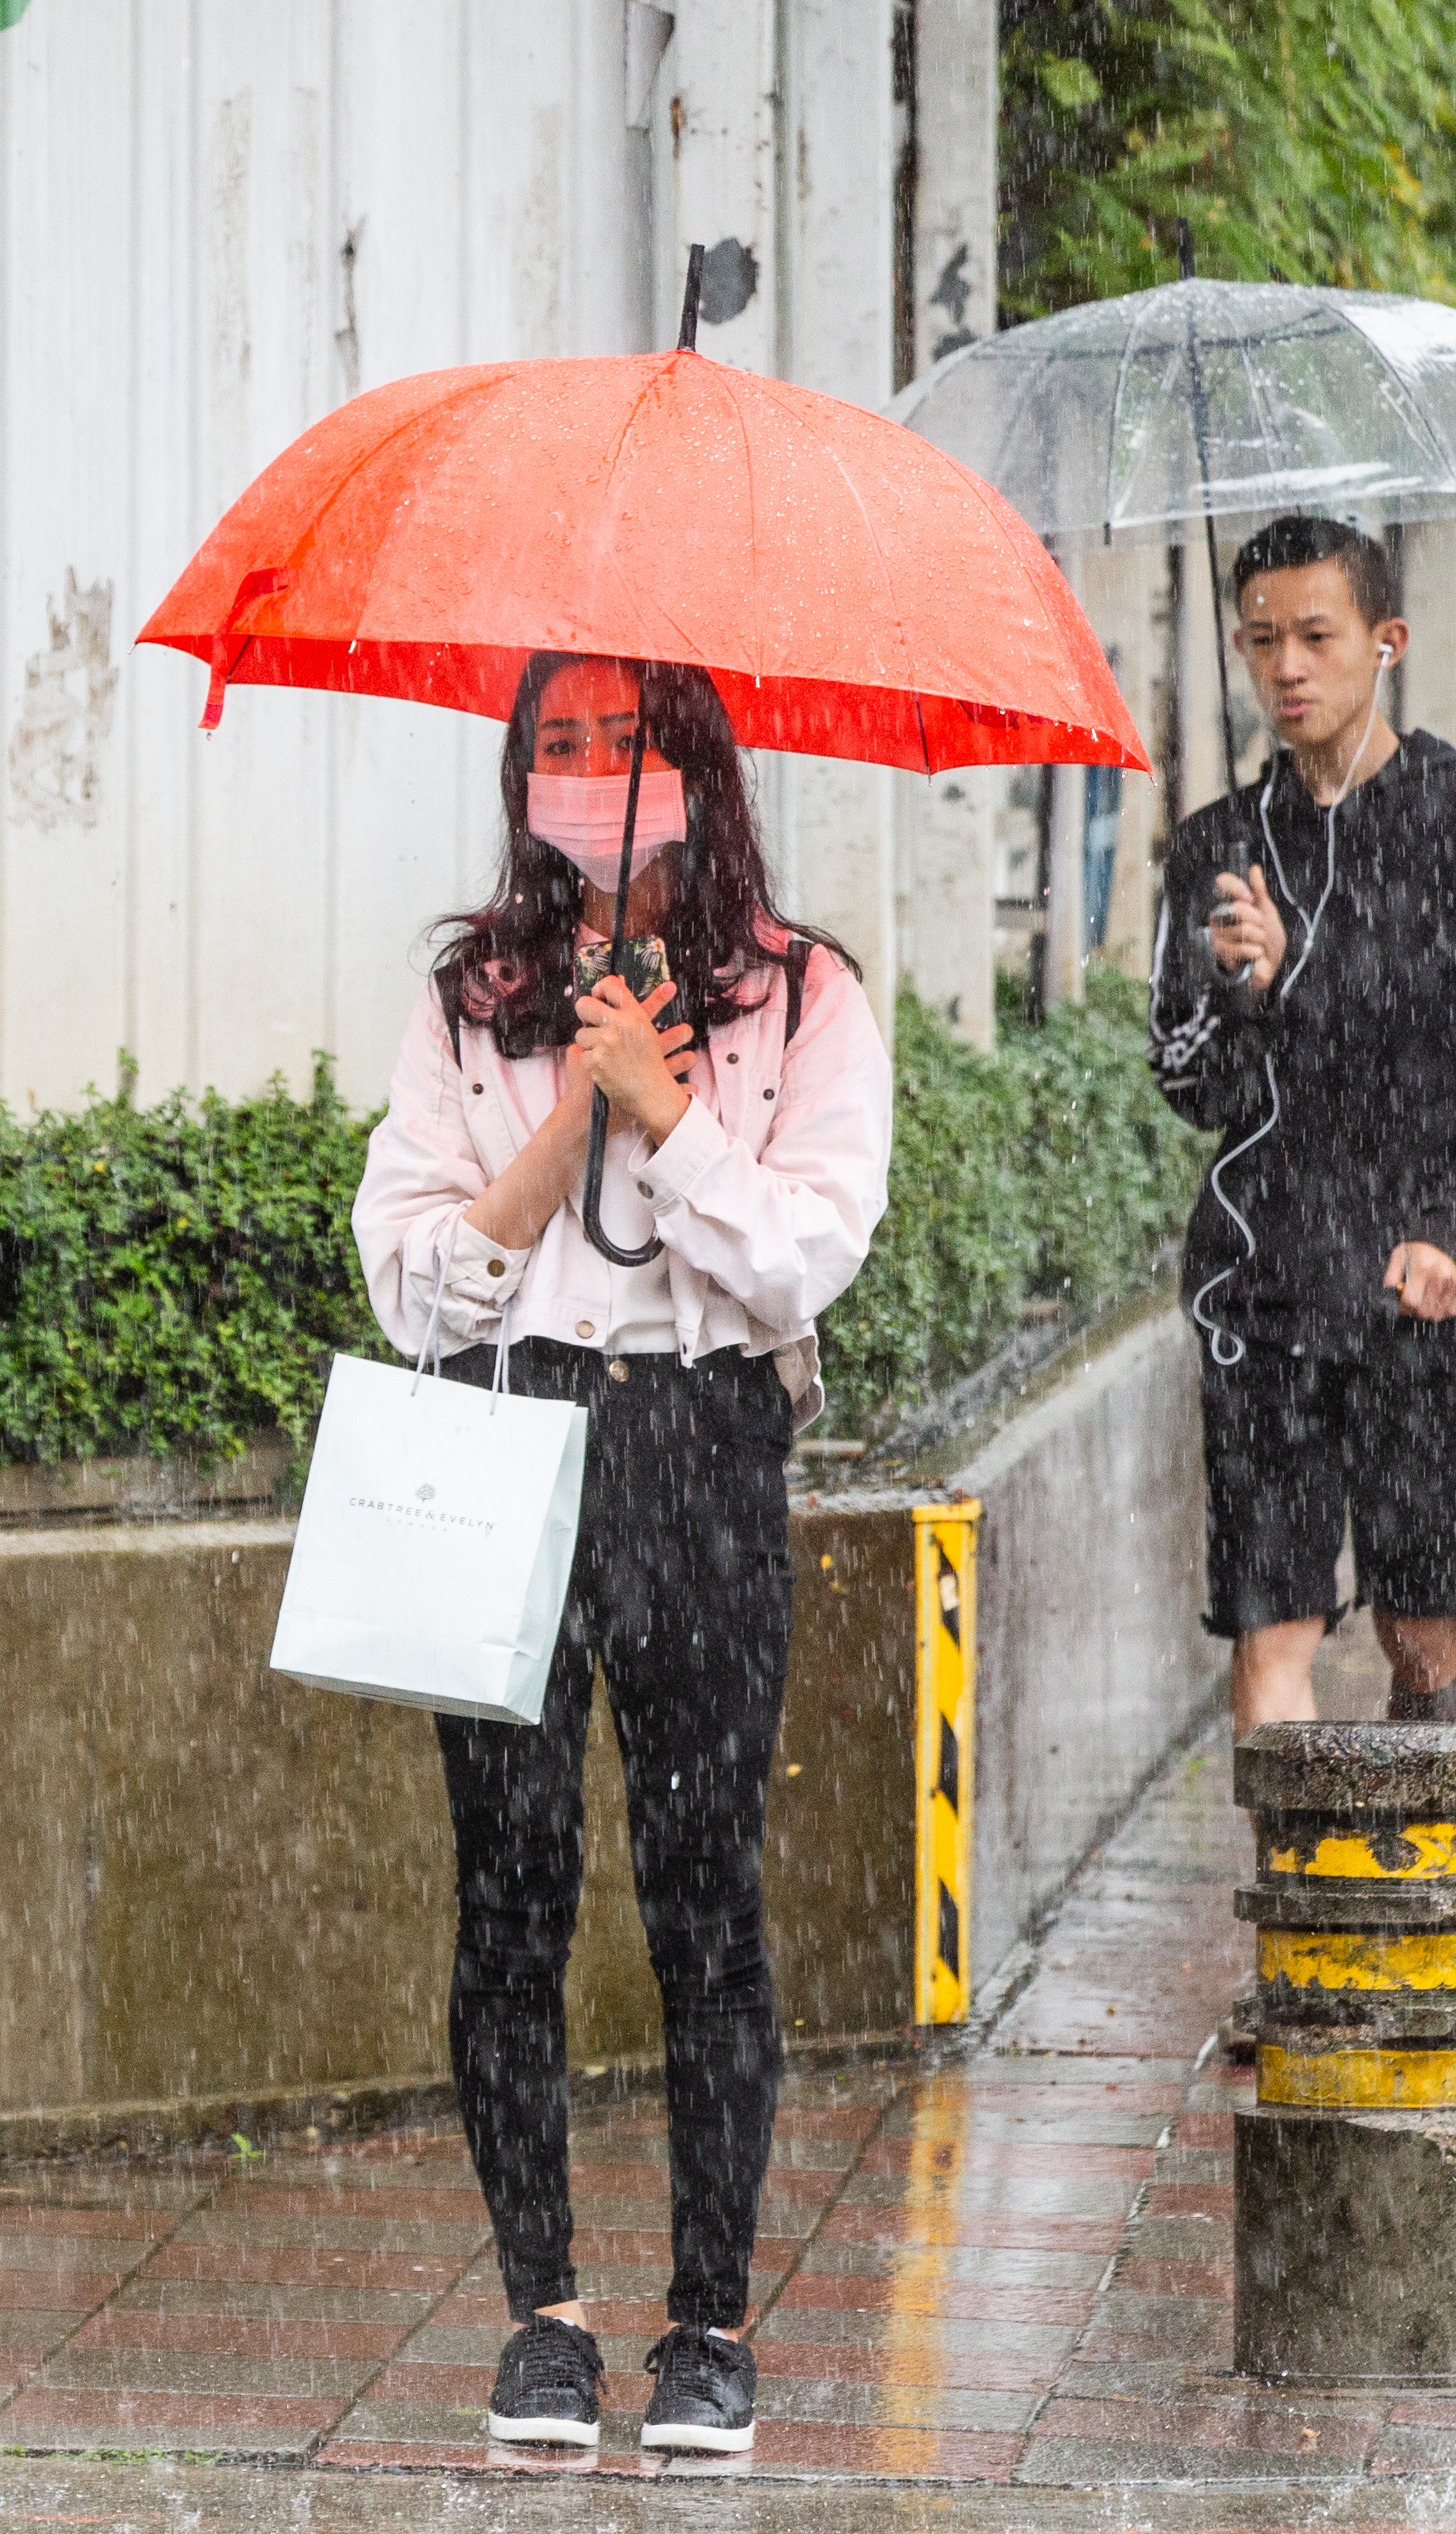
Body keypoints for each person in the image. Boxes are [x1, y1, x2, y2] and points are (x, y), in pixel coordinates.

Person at [352, 651, 894, 2457]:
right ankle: (542, 2314)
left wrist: (668, 1111)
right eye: (559, 742)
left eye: (628, 737)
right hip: (505, 1431)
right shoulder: (472, 998)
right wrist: (569, 1114)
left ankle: (709, 2323)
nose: (591, 771)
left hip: (701, 1446)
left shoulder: (800, 994)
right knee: (507, 1890)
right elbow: (414, 1275)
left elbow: (803, 1255)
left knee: (702, 1892)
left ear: (697, 765)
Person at [1147, 515, 1456, 1736]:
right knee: (1273, 1627)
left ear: (1387, 641)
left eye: (1316, 636)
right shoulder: (1216, 850)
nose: (1287, 667)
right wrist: (1242, 991)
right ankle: (1293, 1866)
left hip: (1418, 1289)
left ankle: (1427, 1843)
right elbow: (1188, 1082)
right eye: (1261, 639)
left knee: (1419, 1625)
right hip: (1264, 1284)